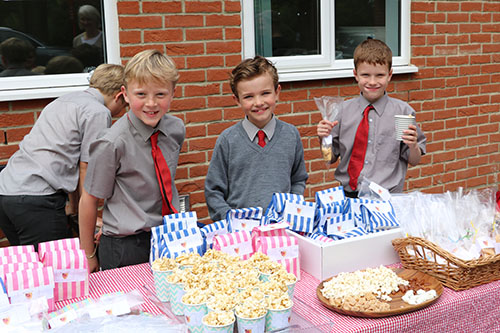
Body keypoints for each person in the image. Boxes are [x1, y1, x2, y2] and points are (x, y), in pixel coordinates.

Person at [79, 49, 185, 272]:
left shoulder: (176, 129)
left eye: (160, 94)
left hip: (168, 237)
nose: (151, 103)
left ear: (173, 93)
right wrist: (88, 254)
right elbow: (89, 198)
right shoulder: (111, 143)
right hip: (124, 247)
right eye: (141, 94)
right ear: (125, 94)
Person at [0, 63, 126, 249]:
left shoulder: (64, 100)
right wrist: (89, 218)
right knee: (54, 270)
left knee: (29, 269)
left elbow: (73, 163)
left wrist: (75, 209)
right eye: (127, 104)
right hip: (36, 199)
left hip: (6, 192)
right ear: (120, 96)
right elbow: (87, 168)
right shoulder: (98, 112)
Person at [316, 39, 426, 197]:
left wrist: (413, 145)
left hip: (388, 198)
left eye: (379, 75)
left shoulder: (402, 112)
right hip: (348, 196)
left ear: (389, 75)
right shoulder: (341, 112)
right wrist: (323, 138)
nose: (372, 82)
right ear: (355, 75)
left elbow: (414, 160)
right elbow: (330, 158)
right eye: (365, 75)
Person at [204, 55, 308, 222]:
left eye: (265, 93)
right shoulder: (227, 140)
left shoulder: (291, 135)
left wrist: (291, 209)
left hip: (281, 229)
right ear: (237, 100)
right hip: (240, 234)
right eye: (248, 97)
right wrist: (230, 220)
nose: (258, 102)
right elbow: (214, 191)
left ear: (277, 92)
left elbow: (298, 179)